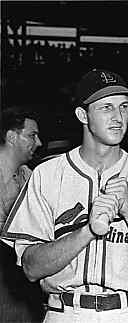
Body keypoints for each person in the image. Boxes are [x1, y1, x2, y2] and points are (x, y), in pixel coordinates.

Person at [1, 69, 128, 323]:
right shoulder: (48, 175)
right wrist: (88, 230)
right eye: (106, 107)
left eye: (123, 107)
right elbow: (32, 268)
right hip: (66, 312)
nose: (118, 117)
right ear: (82, 115)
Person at [0, 107, 44, 323]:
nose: (39, 143)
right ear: (11, 137)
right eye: (32, 135)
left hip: (21, 282)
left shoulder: (30, 177)